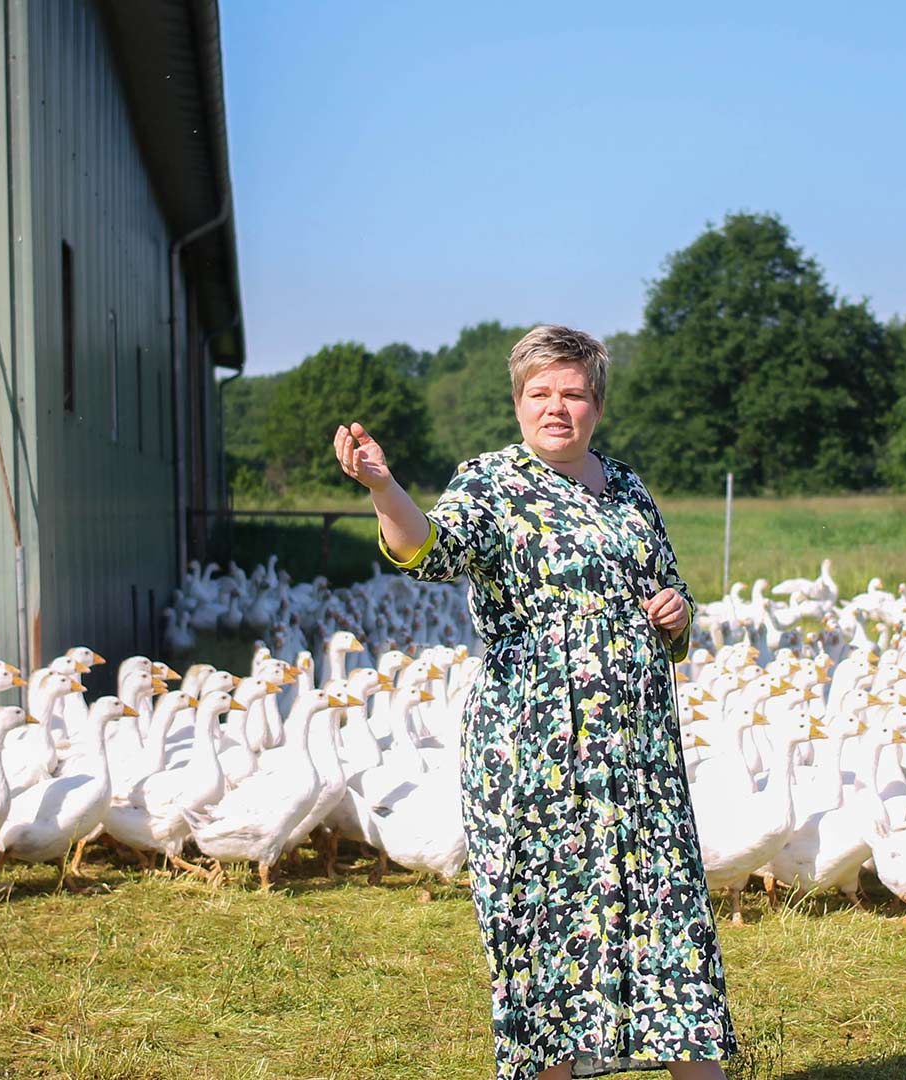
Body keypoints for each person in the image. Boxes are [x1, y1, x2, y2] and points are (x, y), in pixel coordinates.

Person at [334, 325, 734, 1080]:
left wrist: (678, 613)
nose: (558, 407)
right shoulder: (490, 483)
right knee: (549, 927)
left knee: (665, 912)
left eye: (573, 393)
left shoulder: (628, 488)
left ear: (597, 405)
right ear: (518, 403)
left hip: (637, 755)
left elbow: (673, 593)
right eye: (540, 393)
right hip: (536, 753)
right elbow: (432, 551)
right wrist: (385, 488)